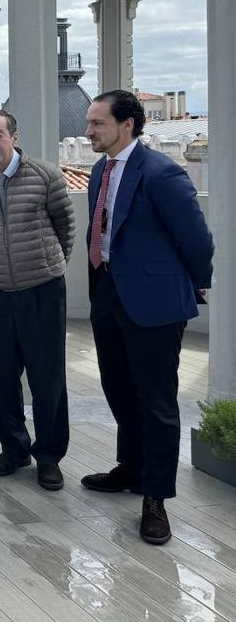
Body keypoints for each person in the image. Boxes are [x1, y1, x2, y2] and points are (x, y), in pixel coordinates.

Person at [80, 90, 213, 544]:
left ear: (128, 126)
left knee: (157, 403)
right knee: (117, 388)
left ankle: (155, 499)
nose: (89, 131)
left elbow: (197, 240)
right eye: (90, 122)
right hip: (109, 295)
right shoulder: (101, 169)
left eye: (97, 123)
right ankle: (130, 469)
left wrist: (194, 283)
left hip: (154, 304)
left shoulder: (162, 172)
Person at [0, 109, 75, 491]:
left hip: (42, 289)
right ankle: (14, 448)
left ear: (13, 135)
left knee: (47, 378)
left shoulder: (45, 175)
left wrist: (48, 264)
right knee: (3, 376)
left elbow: (66, 227)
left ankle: (49, 456)